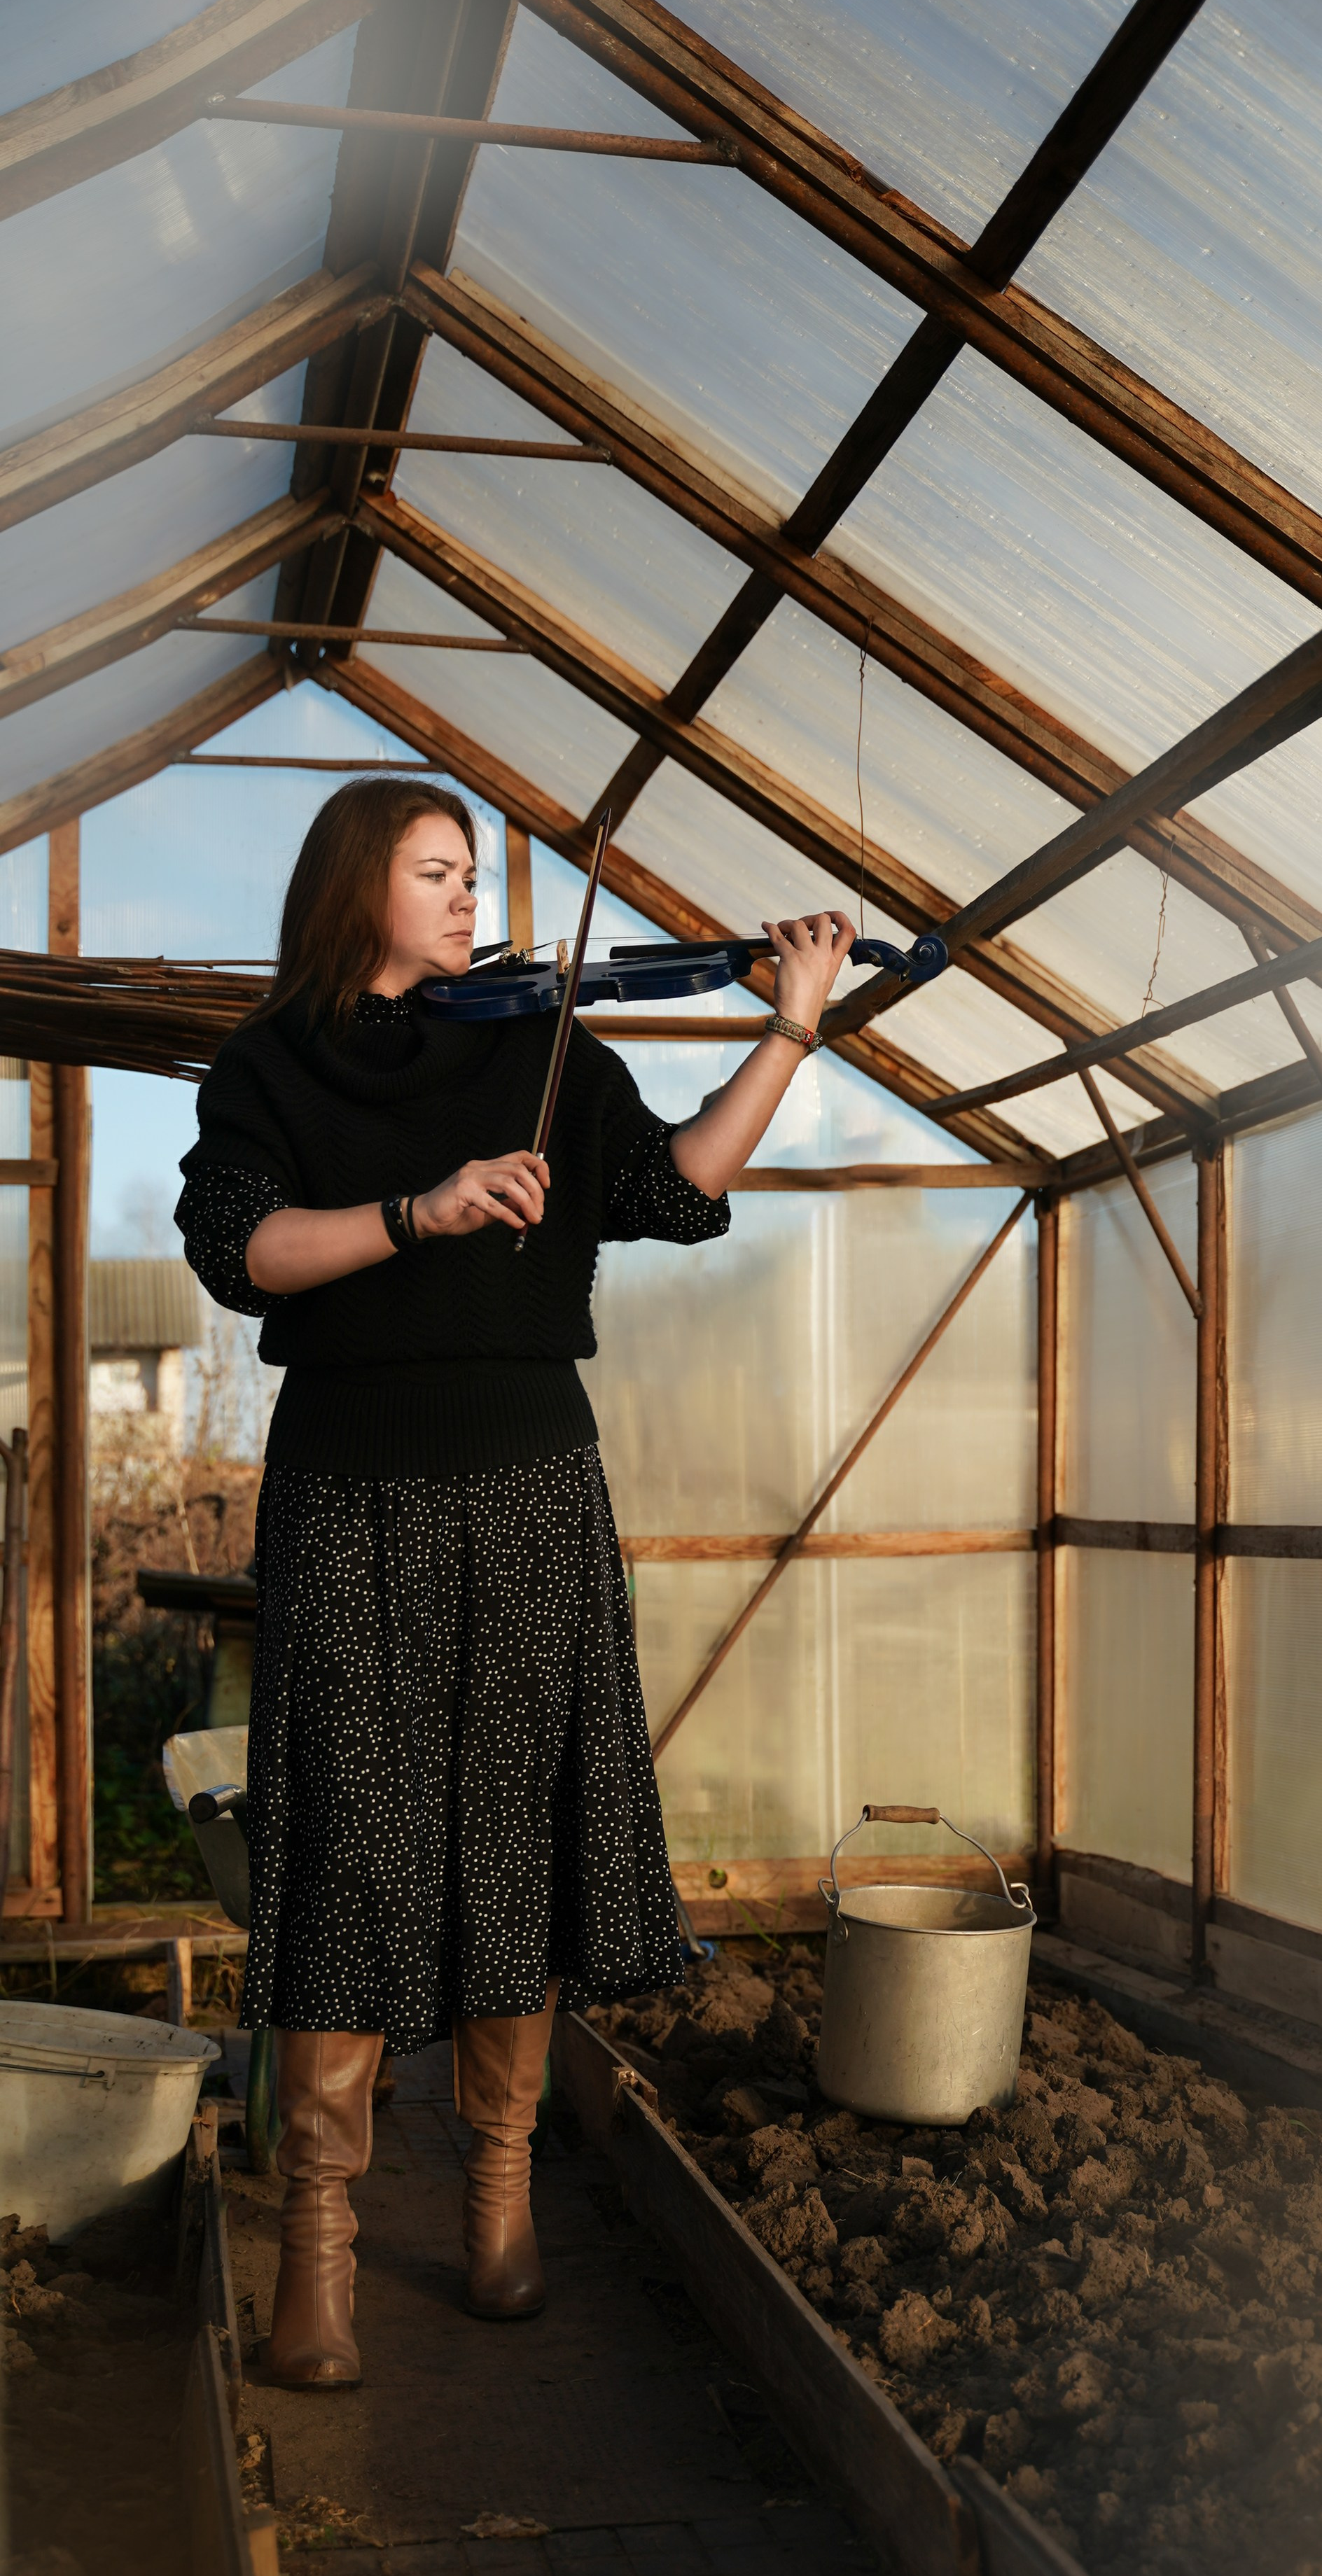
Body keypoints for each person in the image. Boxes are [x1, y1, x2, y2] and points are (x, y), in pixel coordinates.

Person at [176, 776, 851, 2389]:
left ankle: (496, 2199)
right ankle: (320, 2250)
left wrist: (790, 1031)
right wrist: (422, 1207)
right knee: (346, 1841)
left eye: (475, 874)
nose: (471, 898)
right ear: (355, 889)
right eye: (436, 873)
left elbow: (680, 1188)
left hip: (532, 1490)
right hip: (349, 1493)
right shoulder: (270, 1064)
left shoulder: (547, 1046)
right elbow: (240, 1246)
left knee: (509, 1832)